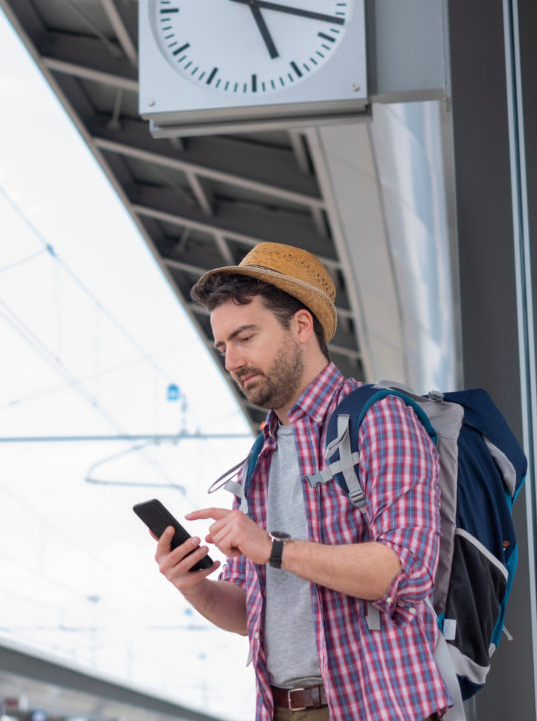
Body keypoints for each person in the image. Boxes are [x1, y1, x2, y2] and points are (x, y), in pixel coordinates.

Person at [151, 242, 450, 721]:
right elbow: (252, 611)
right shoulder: (258, 460)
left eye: (246, 337)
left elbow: (405, 572)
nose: (231, 361)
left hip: (379, 708)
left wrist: (272, 547)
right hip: (283, 710)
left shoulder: (380, 419)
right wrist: (193, 586)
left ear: (301, 326)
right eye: (224, 346)